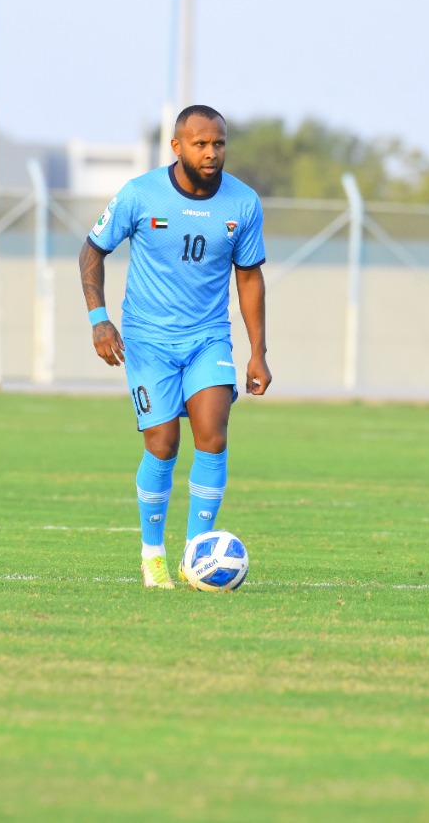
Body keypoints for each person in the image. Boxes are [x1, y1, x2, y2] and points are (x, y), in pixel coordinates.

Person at [78, 104, 271, 589]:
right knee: (162, 444)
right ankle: (152, 555)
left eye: (219, 143)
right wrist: (99, 319)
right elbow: (92, 250)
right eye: (201, 143)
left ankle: (195, 556)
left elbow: (249, 277)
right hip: (147, 340)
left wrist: (258, 351)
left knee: (214, 434)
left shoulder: (243, 203)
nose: (211, 152)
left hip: (208, 338)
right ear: (178, 146)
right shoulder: (140, 194)